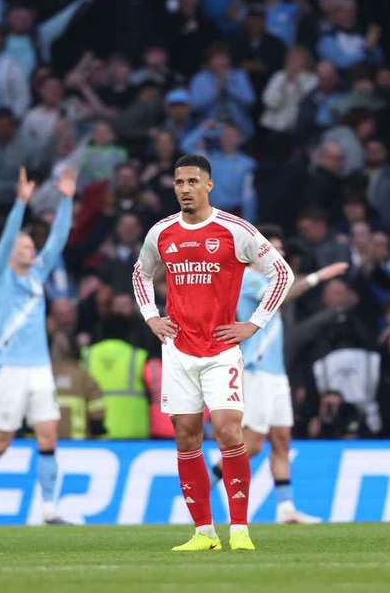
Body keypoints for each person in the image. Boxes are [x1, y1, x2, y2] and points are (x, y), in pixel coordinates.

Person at [132, 154, 294, 552]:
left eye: (192, 181)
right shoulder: (162, 233)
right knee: (186, 438)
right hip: (178, 351)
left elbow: (282, 274)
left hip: (222, 349)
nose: (184, 189)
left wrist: (252, 324)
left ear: (209, 185)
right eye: (178, 182)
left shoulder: (234, 230)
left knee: (227, 431)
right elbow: (140, 273)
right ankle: (204, 532)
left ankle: (239, 529)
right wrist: (152, 317)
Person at [0, 167, 76, 526]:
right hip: (9, 368)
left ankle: (49, 509)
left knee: (48, 434)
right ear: (11, 251)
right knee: (1, 441)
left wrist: (67, 200)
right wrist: (20, 205)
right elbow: (9, 234)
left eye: (31, 246)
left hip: (39, 368)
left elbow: (57, 239)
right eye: (24, 246)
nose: (31, 249)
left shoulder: (38, 275)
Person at [210, 224, 347, 524]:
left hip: (276, 374)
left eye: (281, 250)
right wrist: (318, 277)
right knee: (255, 443)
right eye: (273, 249)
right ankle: (202, 483)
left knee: (282, 438)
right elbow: (282, 296)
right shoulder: (248, 279)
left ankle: (285, 510)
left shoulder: (270, 278)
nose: (280, 254)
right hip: (256, 371)